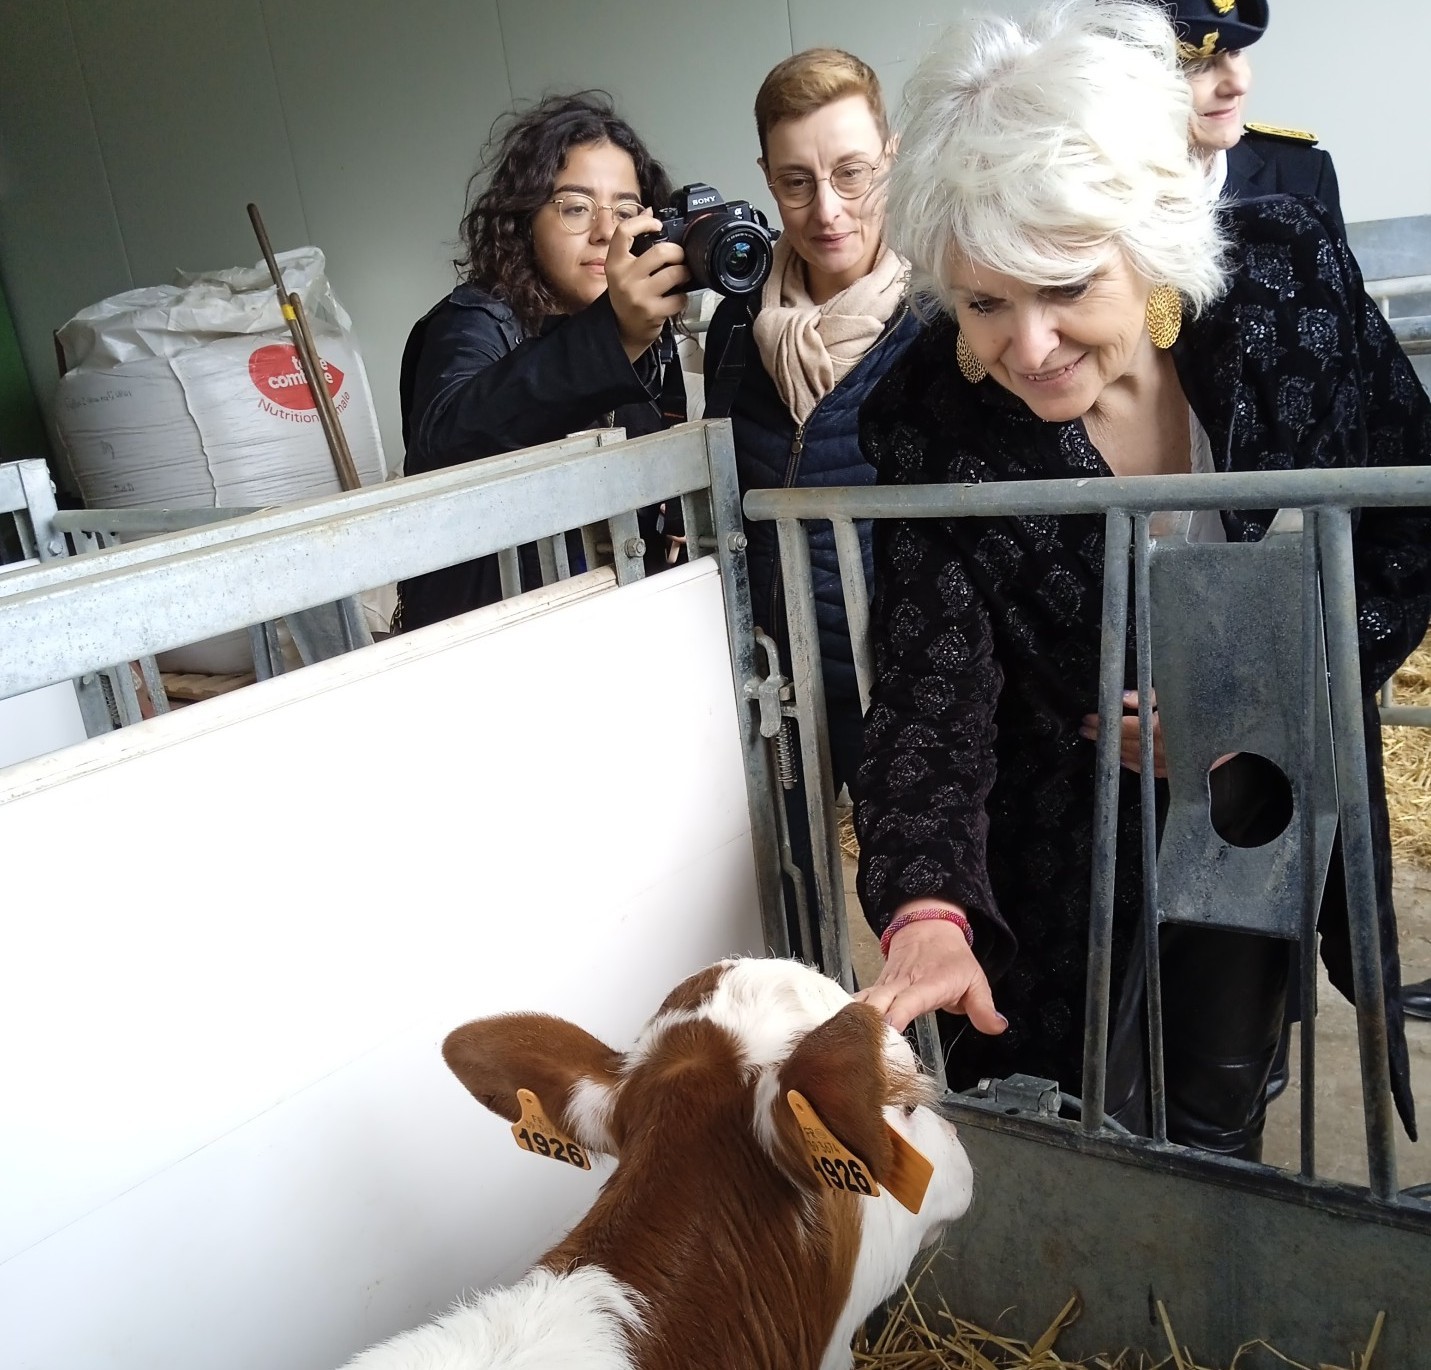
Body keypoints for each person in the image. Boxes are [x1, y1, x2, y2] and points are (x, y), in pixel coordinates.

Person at [852, 0, 1431, 1158]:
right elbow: (931, 694)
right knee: (1082, 1120)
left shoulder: (1288, 295)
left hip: (1268, 812)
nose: (1026, 345)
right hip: (1066, 832)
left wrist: (1263, 713)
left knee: (1221, 1104)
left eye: (1065, 285)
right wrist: (925, 904)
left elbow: (1405, 534)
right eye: (983, 300)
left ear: (1152, 237)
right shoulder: (932, 414)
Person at [701, 49, 918, 955]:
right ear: (765, 179)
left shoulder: (940, 318)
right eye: (796, 183)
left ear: (890, 159)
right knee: (782, 908)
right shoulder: (735, 331)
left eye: (850, 174)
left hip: (901, 682)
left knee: (913, 902)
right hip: (774, 689)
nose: (827, 210)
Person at [396, 93, 689, 633]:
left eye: (627, 211)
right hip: (490, 640)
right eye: (576, 207)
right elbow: (447, 435)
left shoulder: (642, 330)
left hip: (610, 629)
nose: (607, 231)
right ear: (525, 219)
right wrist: (612, 337)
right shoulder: (472, 322)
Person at [1166, 0, 1344, 231]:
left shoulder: (1302, 174)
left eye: (1236, 52)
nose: (1239, 84)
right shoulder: (1106, 194)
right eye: (1197, 64)